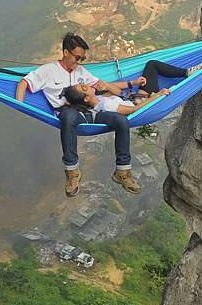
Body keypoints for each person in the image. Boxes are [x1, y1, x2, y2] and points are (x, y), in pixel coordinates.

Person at [14, 33, 144, 197]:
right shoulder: (48, 71)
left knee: (121, 121)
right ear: (66, 52)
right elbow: (24, 83)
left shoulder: (81, 71)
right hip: (68, 111)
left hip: (92, 110)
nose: (79, 62)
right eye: (77, 57)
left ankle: (122, 172)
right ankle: (72, 172)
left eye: (82, 58)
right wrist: (20, 106)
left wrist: (131, 83)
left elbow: (102, 85)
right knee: (68, 118)